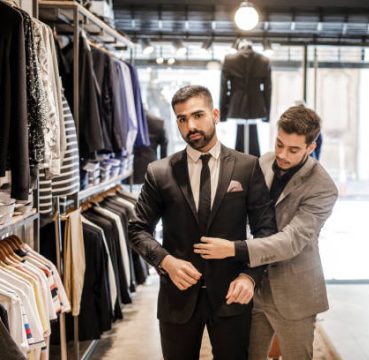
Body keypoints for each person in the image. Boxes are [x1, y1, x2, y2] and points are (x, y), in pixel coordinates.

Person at [128, 85, 276, 360]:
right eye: (182, 119)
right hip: (177, 297)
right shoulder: (160, 172)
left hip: (232, 295)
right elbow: (137, 229)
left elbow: (266, 231)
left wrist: (250, 277)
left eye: (198, 115)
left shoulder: (247, 166)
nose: (191, 125)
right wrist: (166, 261)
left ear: (215, 114)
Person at [194, 105, 338, 360]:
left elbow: (291, 241)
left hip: (295, 292)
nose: (282, 154)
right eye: (279, 143)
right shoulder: (264, 161)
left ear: (310, 147)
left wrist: (233, 248)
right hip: (254, 286)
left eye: (293, 149)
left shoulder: (323, 187)